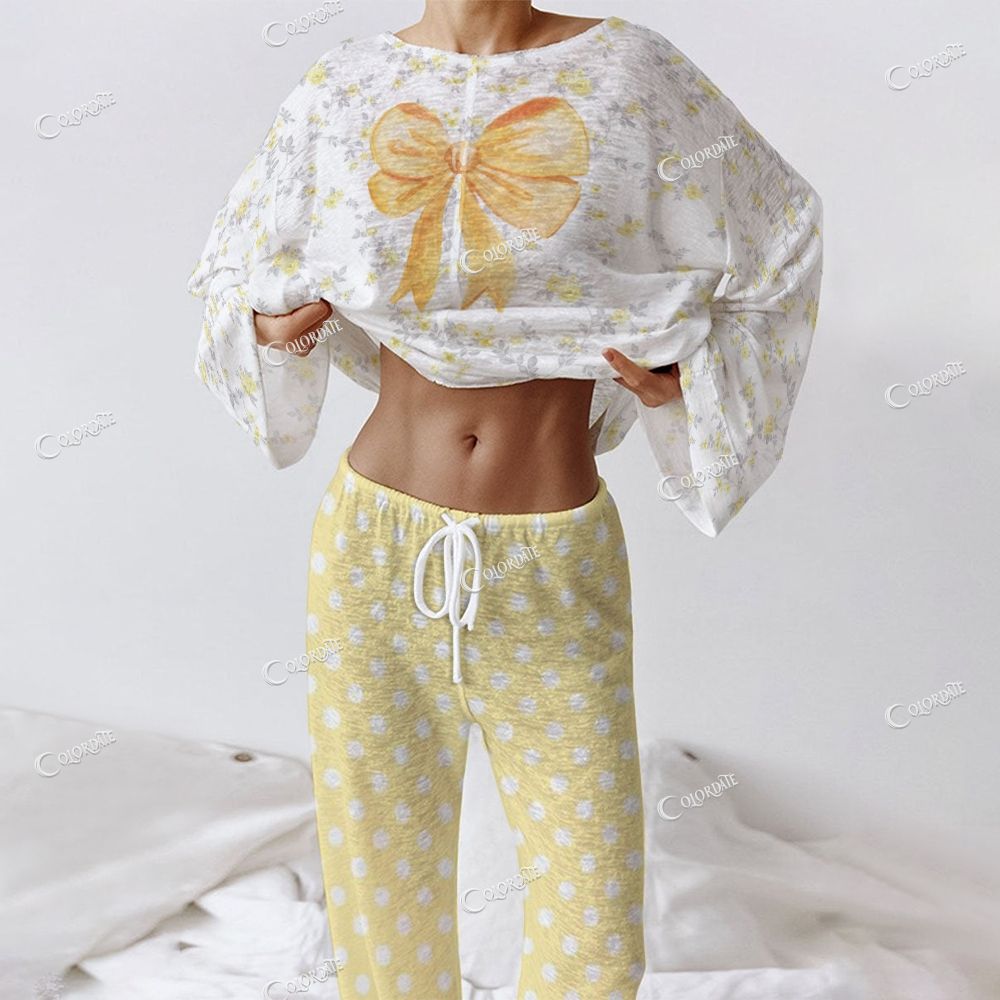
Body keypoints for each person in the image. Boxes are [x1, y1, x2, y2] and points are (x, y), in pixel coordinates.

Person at [186, 3, 824, 997]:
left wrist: (690, 379)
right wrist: (270, 330)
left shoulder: (630, 73)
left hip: (553, 557)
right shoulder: (343, 86)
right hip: (371, 546)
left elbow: (780, 234)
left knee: (593, 918)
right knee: (379, 889)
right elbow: (235, 265)